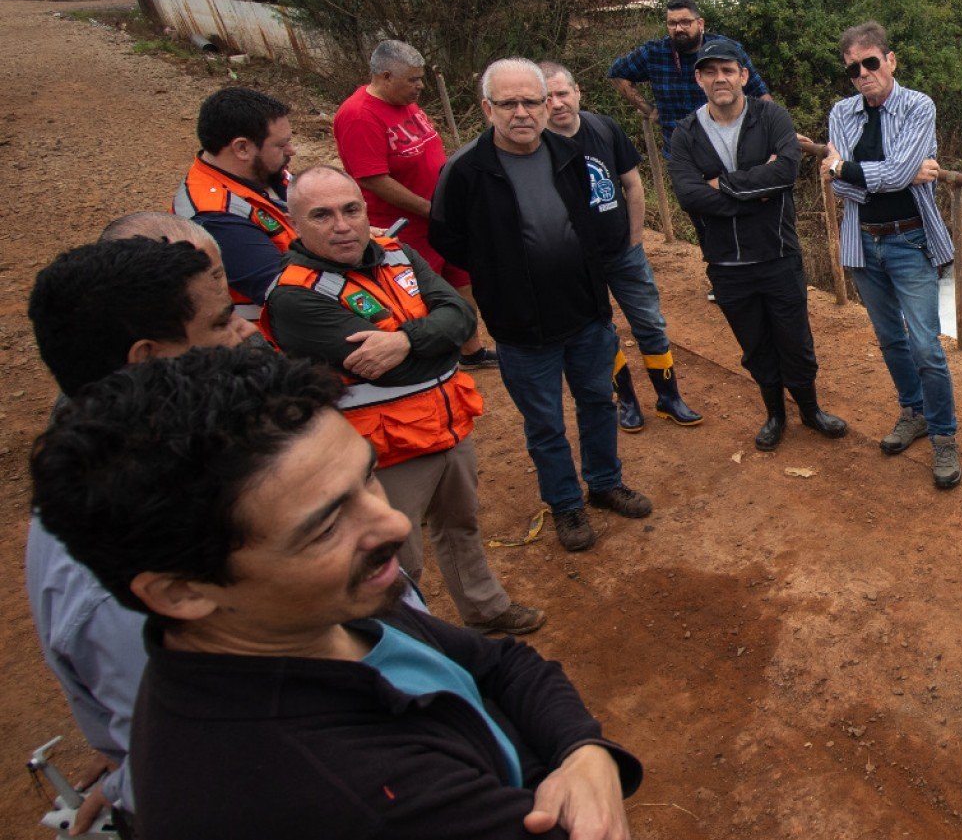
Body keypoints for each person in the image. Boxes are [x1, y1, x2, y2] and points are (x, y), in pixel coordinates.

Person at [29, 345, 684, 840]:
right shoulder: (332, 803)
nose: (394, 523)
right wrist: (579, 775)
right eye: (324, 525)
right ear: (180, 590)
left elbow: (504, 663)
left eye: (367, 480)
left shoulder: (306, 617)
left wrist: (583, 753)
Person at [24, 236, 259, 829]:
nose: (246, 336)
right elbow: (199, 761)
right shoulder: (121, 571)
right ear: (150, 359)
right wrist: (134, 778)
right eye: (222, 322)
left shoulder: (178, 468)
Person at [263, 166, 543, 636]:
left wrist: (404, 341)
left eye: (351, 209)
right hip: (382, 450)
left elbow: (461, 314)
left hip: (447, 424)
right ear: (295, 223)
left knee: (461, 526)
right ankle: (413, 645)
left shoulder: (396, 252)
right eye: (322, 215)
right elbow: (420, 355)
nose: (342, 224)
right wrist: (429, 342)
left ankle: (484, 607)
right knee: (396, 557)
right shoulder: (294, 298)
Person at [430, 58, 654, 554]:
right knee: (546, 421)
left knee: (598, 401)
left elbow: (596, 216)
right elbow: (448, 238)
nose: (523, 112)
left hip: (586, 311)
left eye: (531, 101)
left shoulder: (569, 154)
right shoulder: (466, 170)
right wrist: (503, 273)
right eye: (508, 103)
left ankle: (604, 483)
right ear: (487, 108)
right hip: (521, 325)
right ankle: (565, 503)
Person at [667, 35, 847, 451]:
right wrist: (754, 190)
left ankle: (809, 410)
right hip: (726, 263)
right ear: (699, 79)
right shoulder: (687, 132)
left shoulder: (771, 117)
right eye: (710, 72)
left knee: (796, 343)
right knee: (755, 347)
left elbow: (783, 173)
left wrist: (721, 188)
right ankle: (775, 415)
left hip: (778, 253)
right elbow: (688, 195)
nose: (720, 78)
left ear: (743, 75)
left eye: (728, 70)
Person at [820, 23, 961, 489]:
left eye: (871, 63)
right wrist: (888, 173)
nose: (863, 74)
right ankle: (914, 411)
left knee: (925, 344)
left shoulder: (919, 105)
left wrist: (851, 168)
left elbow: (878, 173)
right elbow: (840, 184)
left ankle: (943, 435)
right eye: (854, 68)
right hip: (863, 240)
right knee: (889, 338)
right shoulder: (842, 112)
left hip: (909, 240)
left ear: (890, 60)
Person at [541, 61, 701, 430]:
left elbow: (632, 185)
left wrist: (634, 241)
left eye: (563, 93)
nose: (558, 104)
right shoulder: (537, 147)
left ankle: (669, 397)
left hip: (622, 252)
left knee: (649, 322)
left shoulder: (603, 127)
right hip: (575, 263)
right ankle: (625, 399)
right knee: (601, 330)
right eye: (547, 98)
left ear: (577, 91)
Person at [332, 38, 495, 369]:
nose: (420, 86)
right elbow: (373, 179)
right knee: (420, 297)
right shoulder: (358, 116)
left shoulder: (404, 102)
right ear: (386, 76)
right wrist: (431, 209)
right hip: (405, 229)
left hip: (438, 220)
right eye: (413, 79)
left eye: (421, 78)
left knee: (461, 281)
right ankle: (431, 364)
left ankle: (471, 350)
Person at [172, 86, 297, 318]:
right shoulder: (213, 216)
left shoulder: (262, 172)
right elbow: (287, 294)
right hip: (276, 337)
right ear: (242, 148)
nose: (293, 150)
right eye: (281, 145)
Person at [608, 0, 771, 144]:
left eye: (685, 22)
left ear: (700, 24)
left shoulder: (726, 50)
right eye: (672, 23)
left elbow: (759, 92)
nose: (678, 29)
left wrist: (776, 130)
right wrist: (649, 110)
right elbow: (617, 74)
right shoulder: (654, 53)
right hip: (681, 153)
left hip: (727, 148)